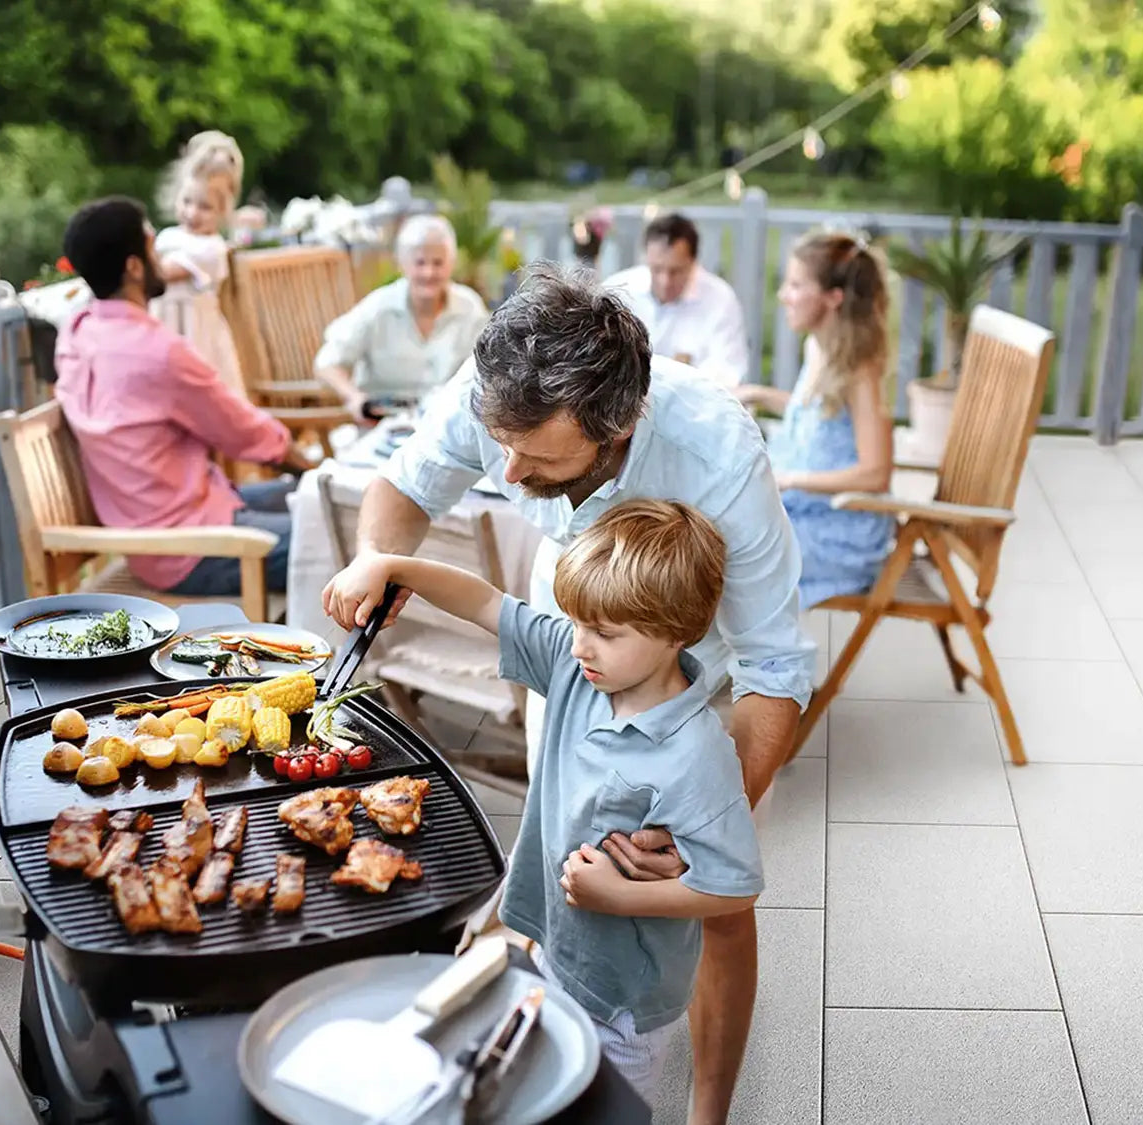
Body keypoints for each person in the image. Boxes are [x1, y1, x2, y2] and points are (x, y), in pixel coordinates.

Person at [323, 264, 815, 1125]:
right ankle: (554, 1024)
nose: (506, 474)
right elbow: (401, 489)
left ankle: (709, 1109)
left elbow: (777, 671)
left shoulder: (717, 454)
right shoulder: (499, 389)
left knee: (716, 914)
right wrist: (377, 557)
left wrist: (699, 823)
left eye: (536, 455)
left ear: (615, 427)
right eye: (497, 443)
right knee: (562, 851)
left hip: (693, 673)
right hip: (576, 637)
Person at [324, 500, 763, 1104]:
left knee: (604, 1107)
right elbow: (484, 602)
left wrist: (622, 895)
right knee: (542, 1090)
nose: (581, 645)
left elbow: (735, 887)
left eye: (605, 634)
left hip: (625, 1000)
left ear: (678, 633)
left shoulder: (696, 756)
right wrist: (393, 565)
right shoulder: (576, 665)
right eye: (577, 623)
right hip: (553, 944)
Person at [55, 197, 312, 597]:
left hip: (181, 521)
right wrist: (311, 468)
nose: (161, 258)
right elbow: (244, 432)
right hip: (192, 548)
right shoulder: (157, 351)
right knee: (343, 533)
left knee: (315, 501)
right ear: (134, 266)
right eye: (153, 247)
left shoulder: (77, 332)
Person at [735, 232, 895, 606]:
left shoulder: (860, 371)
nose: (783, 295)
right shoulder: (820, 347)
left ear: (833, 298)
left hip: (841, 533)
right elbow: (820, 413)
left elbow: (876, 474)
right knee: (712, 526)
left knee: (723, 553)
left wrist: (789, 480)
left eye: (795, 285)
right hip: (809, 511)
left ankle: (758, 658)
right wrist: (759, 393)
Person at [312, 213, 488, 424]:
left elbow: (490, 368)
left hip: (448, 425)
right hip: (384, 424)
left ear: (451, 263)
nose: (428, 272)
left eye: (438, 263)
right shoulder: (378, 306)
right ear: (402, 264)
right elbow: (326, 363)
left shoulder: (470, 307)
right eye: (420, 262)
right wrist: (355, 398)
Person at [606, 212, 752, 386]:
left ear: (693, 262)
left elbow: (728, 373)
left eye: (675, 271)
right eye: (657, 269)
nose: (665, 281)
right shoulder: (618, 290)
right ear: (646, 258)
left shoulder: (719, 300)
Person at [152, 132, 247, 399]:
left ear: (222, 211)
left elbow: (163, 273)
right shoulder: (168, 237)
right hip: (164, 328)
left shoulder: (211, 249)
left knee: (204, 396)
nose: (192, 213)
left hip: (196, 335)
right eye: (187, 202)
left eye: (204, 207)